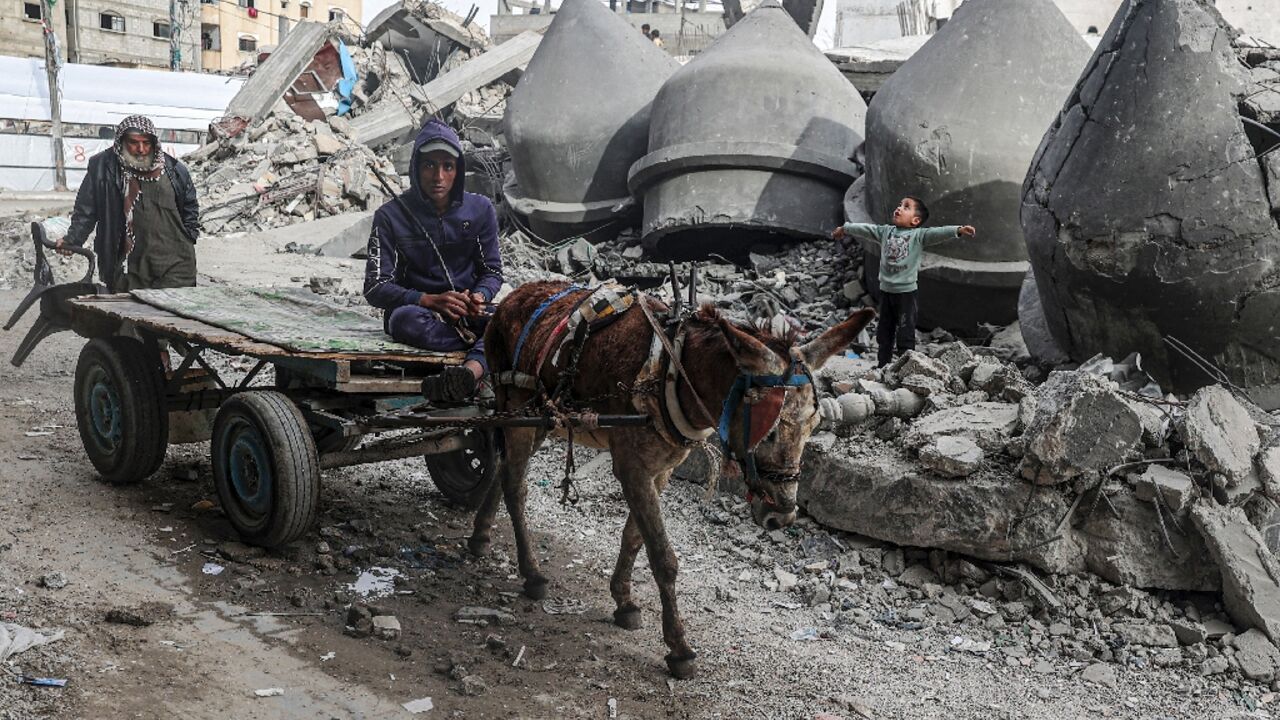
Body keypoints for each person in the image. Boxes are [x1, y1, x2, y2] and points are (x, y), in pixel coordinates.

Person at [364, 119, 502, 403]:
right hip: (420, 313)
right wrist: (427, 299)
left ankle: (468, 374)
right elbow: (375, 287)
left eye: (447, 166)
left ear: (458, 171)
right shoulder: (390, 216)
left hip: (468, 310)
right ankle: (482, 356)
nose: (438, 176)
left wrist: (478, 296)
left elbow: (491, 271)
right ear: (416, 167)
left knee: (511, 319)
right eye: (429, 165)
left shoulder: (480, 210)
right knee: (404, 321)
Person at [58, 114, 200, 293]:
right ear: (121, 141)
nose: (141, 149)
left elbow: (190, 206)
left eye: (146, 143)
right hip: (129, 265)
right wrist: (73, 240)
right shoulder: (103, 167)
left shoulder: (174, 170)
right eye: (134, 142)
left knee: (172, 317)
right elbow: (87, 210)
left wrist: (190, 235)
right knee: (131, 316)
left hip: (176, 261)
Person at [832, 196, 976, 368]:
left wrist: (958, 230)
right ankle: (882, 365)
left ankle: (905, 366)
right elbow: (866, 229)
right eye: (899, 205)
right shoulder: (885, 232)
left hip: (906, 293)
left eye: (906, 207)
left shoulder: (918, 236)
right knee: (884, 331)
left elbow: (937, 233)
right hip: (886, 292)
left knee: (906, 332)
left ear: (915, 220)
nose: (899, 208)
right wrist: (846, 228)